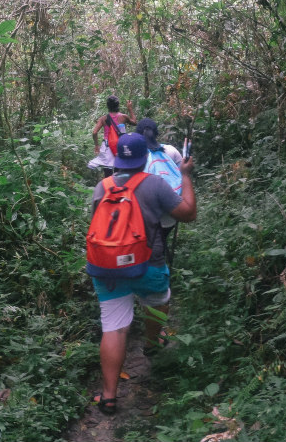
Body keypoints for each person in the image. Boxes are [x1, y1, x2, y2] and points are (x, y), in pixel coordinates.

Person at [88, 132, 196, 415]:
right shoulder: (155, 184)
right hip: (147, 263)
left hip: (107, 267)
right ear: (144, 158)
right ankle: (151, 343)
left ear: (116, 160)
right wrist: (185, 176)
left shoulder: (102, 186)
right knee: (159, 298)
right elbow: (188, 213)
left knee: (114, 327)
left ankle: (109, 396)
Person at [87, 95, 136, 177]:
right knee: (119, 169)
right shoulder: (123, 117)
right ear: (118, 105)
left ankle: (108, 187)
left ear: (108, 106)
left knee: (108, 172)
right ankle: (118, 185)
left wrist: (96, 145)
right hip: (120, 144)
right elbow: (134, 122)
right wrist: (130, 109)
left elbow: (94, 132)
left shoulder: (103, 119)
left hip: (107, 146)